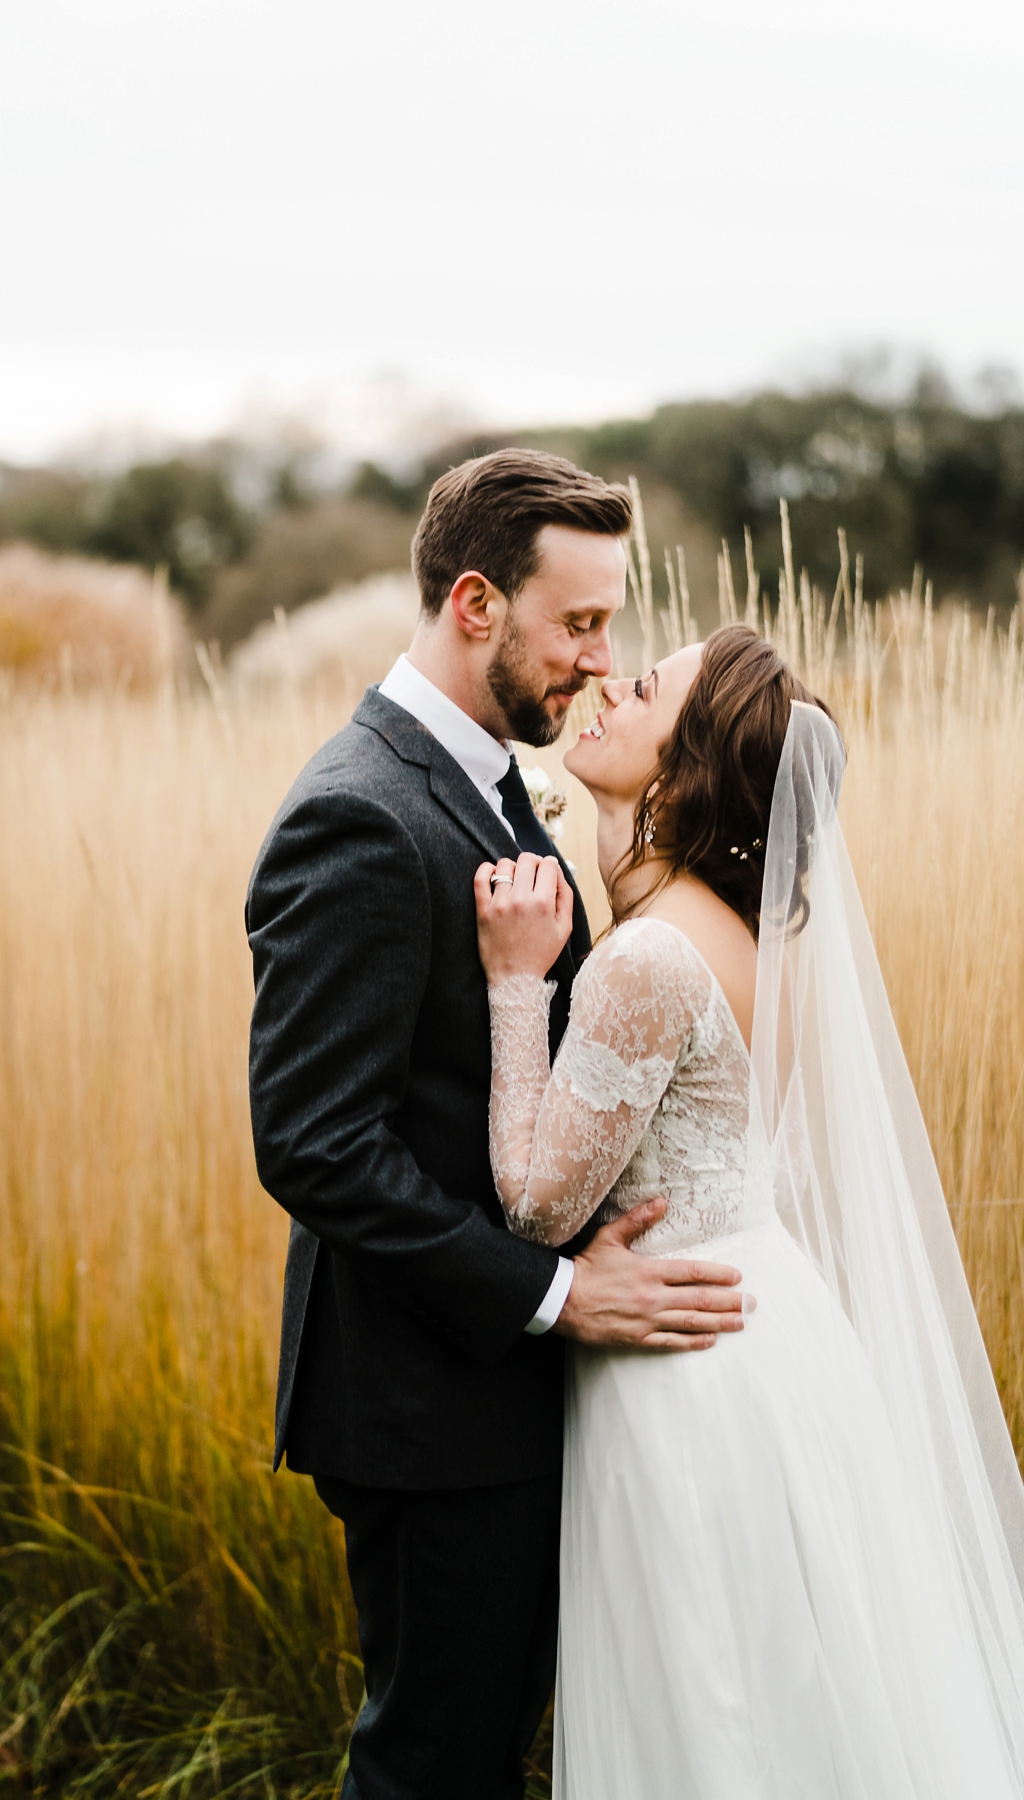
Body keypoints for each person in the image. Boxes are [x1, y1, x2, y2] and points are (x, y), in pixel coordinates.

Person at [246, 450, 751, 1800]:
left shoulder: (489, 782)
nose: (600, 660)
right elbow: (312, 1142)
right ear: (477, 603)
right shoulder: (359, 812)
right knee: (432, 1768)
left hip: (501, 1401)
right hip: (427, 1408)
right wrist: (554, 1296)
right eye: (579, 624)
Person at [476, 625, 1024, 1797]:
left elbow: (530, 1203)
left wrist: (516, 982)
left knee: (713, 1711)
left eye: (648, 690)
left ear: (680, 777)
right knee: (787, 1703)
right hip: (771, 1339)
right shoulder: (745, 941)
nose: (611, 683)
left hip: (687, 1373)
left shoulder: (646, 963)